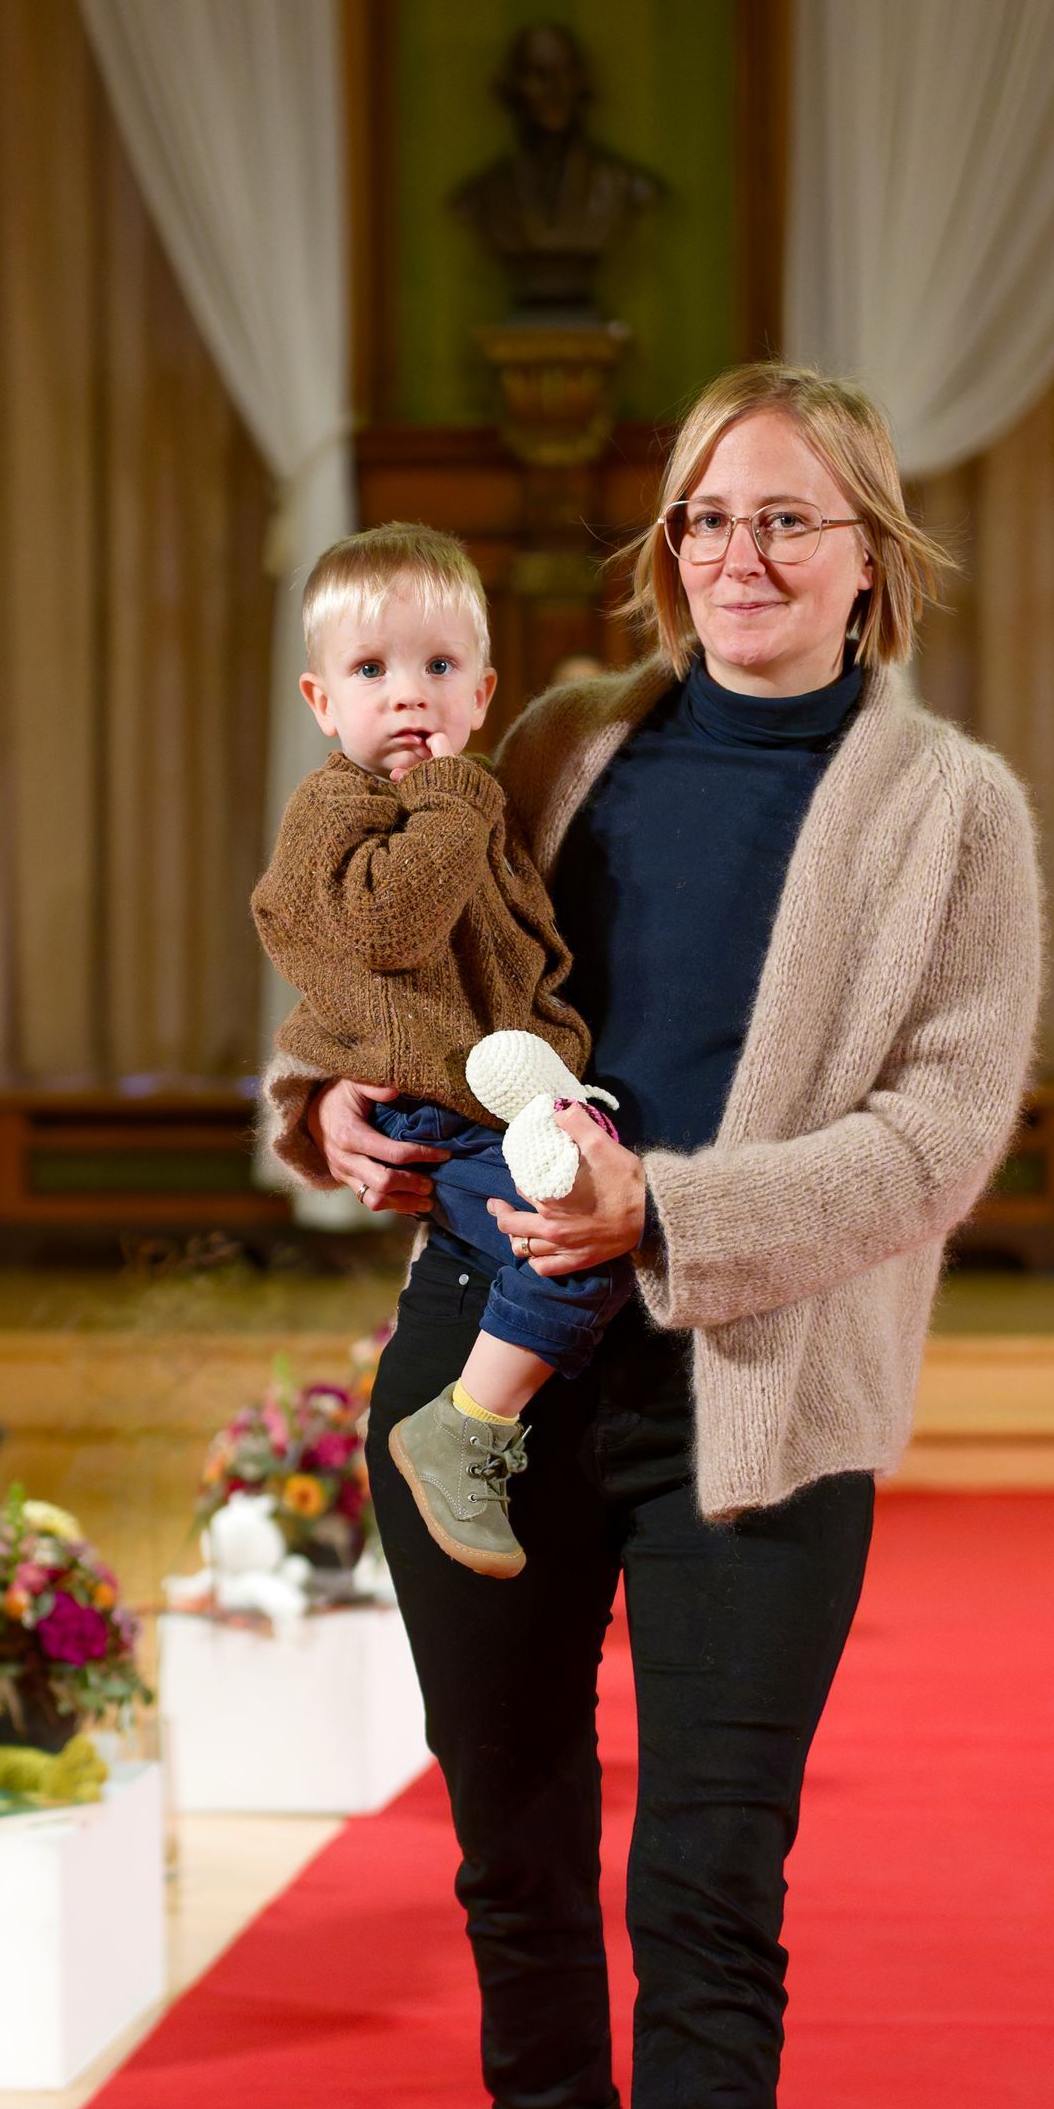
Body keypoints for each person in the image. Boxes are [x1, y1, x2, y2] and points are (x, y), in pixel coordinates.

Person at [261, 363, 1042, 2109]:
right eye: (710, 517)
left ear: (871, 551)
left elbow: (936, 1132)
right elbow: (390, 943)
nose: (744, 555)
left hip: (747, 1385)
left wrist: (670, 1210)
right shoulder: (568, 734)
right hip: (481, 1371)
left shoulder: (948, 808)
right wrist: (321, 1107)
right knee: (508, 1830)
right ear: (666, 547)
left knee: (703, 1892)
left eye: (793, 520)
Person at [252, 523, 633, 1577]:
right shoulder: (342, 805)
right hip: (432, 1107)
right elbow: (388, 930)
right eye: (372, 671)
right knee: (567, 1246)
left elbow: (519, 954)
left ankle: (553, 1114)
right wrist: (455, 795)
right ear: (322, 704)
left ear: (483, 693)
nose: (409, 695)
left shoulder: (467, 805)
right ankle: (467, 1422)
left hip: (496, 1092)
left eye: (438, 667)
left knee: (580, 1216)